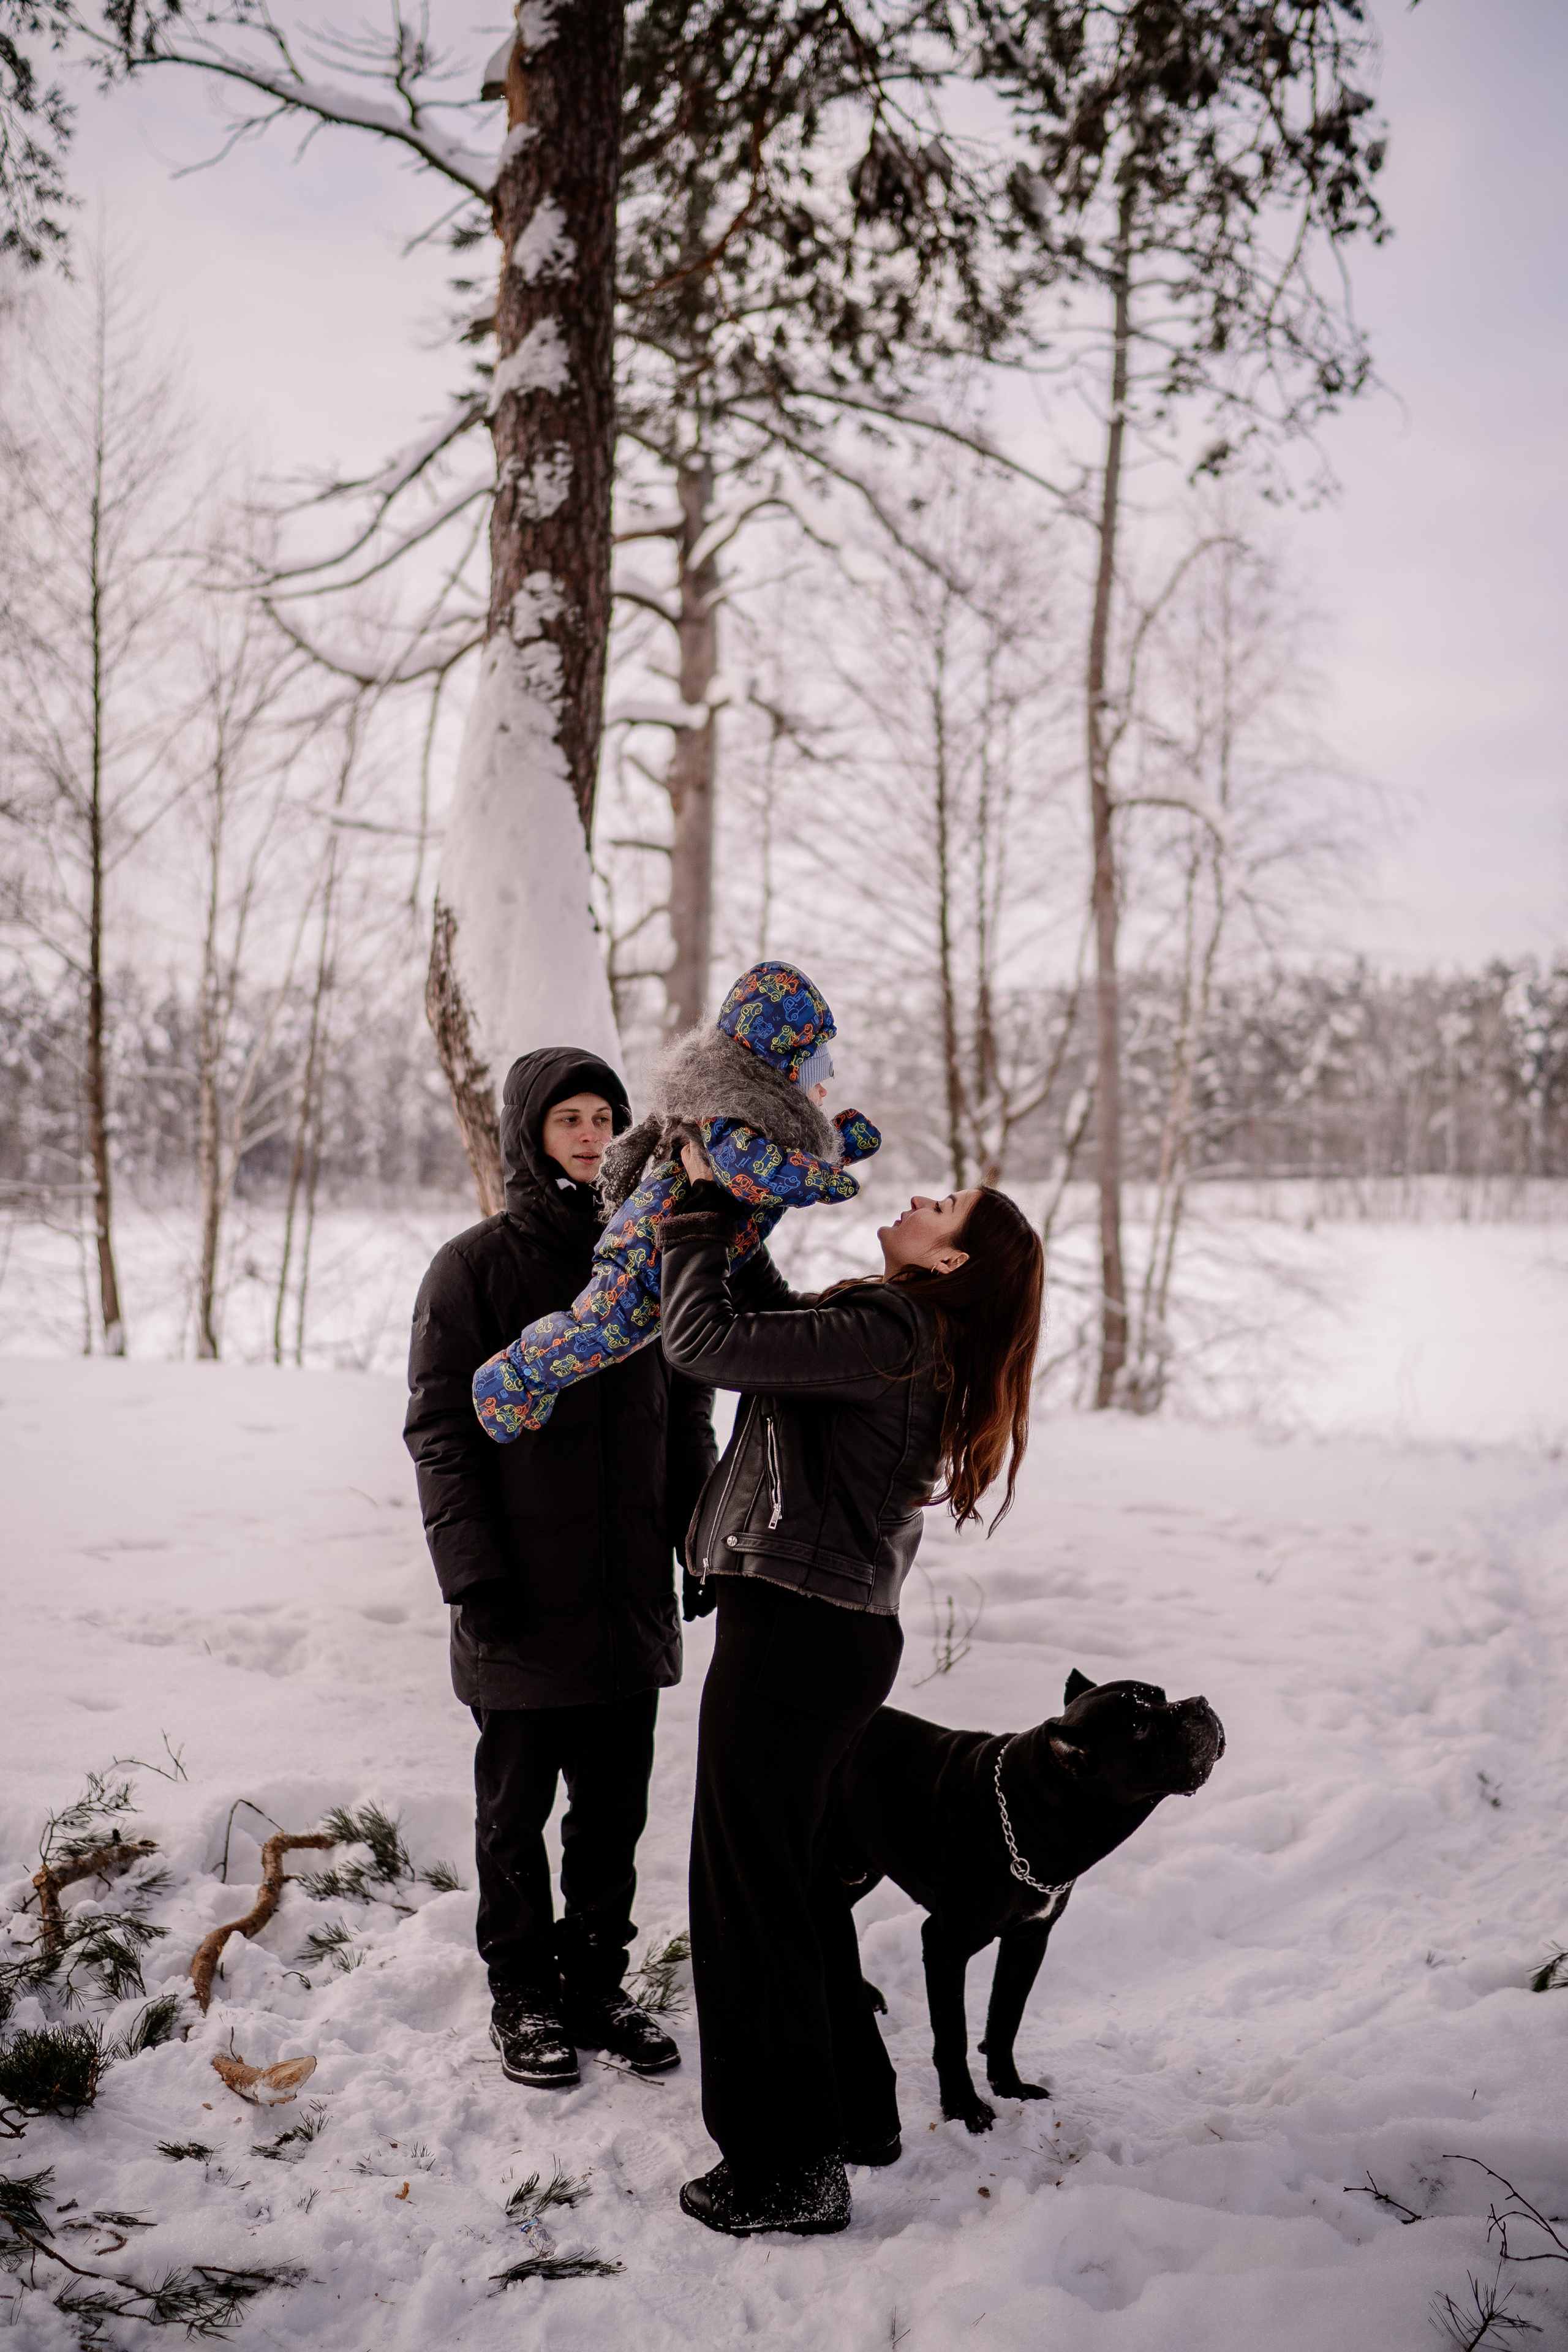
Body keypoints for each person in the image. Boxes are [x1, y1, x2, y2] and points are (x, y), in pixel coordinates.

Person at [658, 1166, 1046, 2237]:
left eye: (944, 1207)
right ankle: (856, 2117)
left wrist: (692, 1223)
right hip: (825, 1637)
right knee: (793, 1886)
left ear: (951, 1261)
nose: (920, 1199)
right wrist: (732, 1228)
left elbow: (702, 1343)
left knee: (747, 1897)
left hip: (797, 1633)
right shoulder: (902, 1333)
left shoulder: (891, 1330)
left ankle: (784, 2168)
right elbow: (770, 1328)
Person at [404, 1047, 717, 2090]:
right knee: (514, 1816)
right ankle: (523, 1995)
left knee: (613, 1814)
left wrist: (698, 1539)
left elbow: (685, 1417)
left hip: (625, 1595)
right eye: (568, 1118)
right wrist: (472, 1575)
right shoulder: (474, 1268)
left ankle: (594, 1985)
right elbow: (443, 1432)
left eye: (606, 1116)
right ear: (529, 1135)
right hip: (520, 1597)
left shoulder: (658, 1258)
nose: (590, 1134)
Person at [469, 962, 879, 1440]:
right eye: (813, 1072)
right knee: (594, 1333)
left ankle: (525, 1386)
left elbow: (787, 1163)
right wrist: (827, 1180)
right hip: (645, 1256)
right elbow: (758, 1171)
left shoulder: (763, 1119)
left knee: (604, 1338)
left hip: (673, 1264)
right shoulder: (726, 1122)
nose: (824, 1088)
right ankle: (509, 1382)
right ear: (779, 1068)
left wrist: (843, 1144)